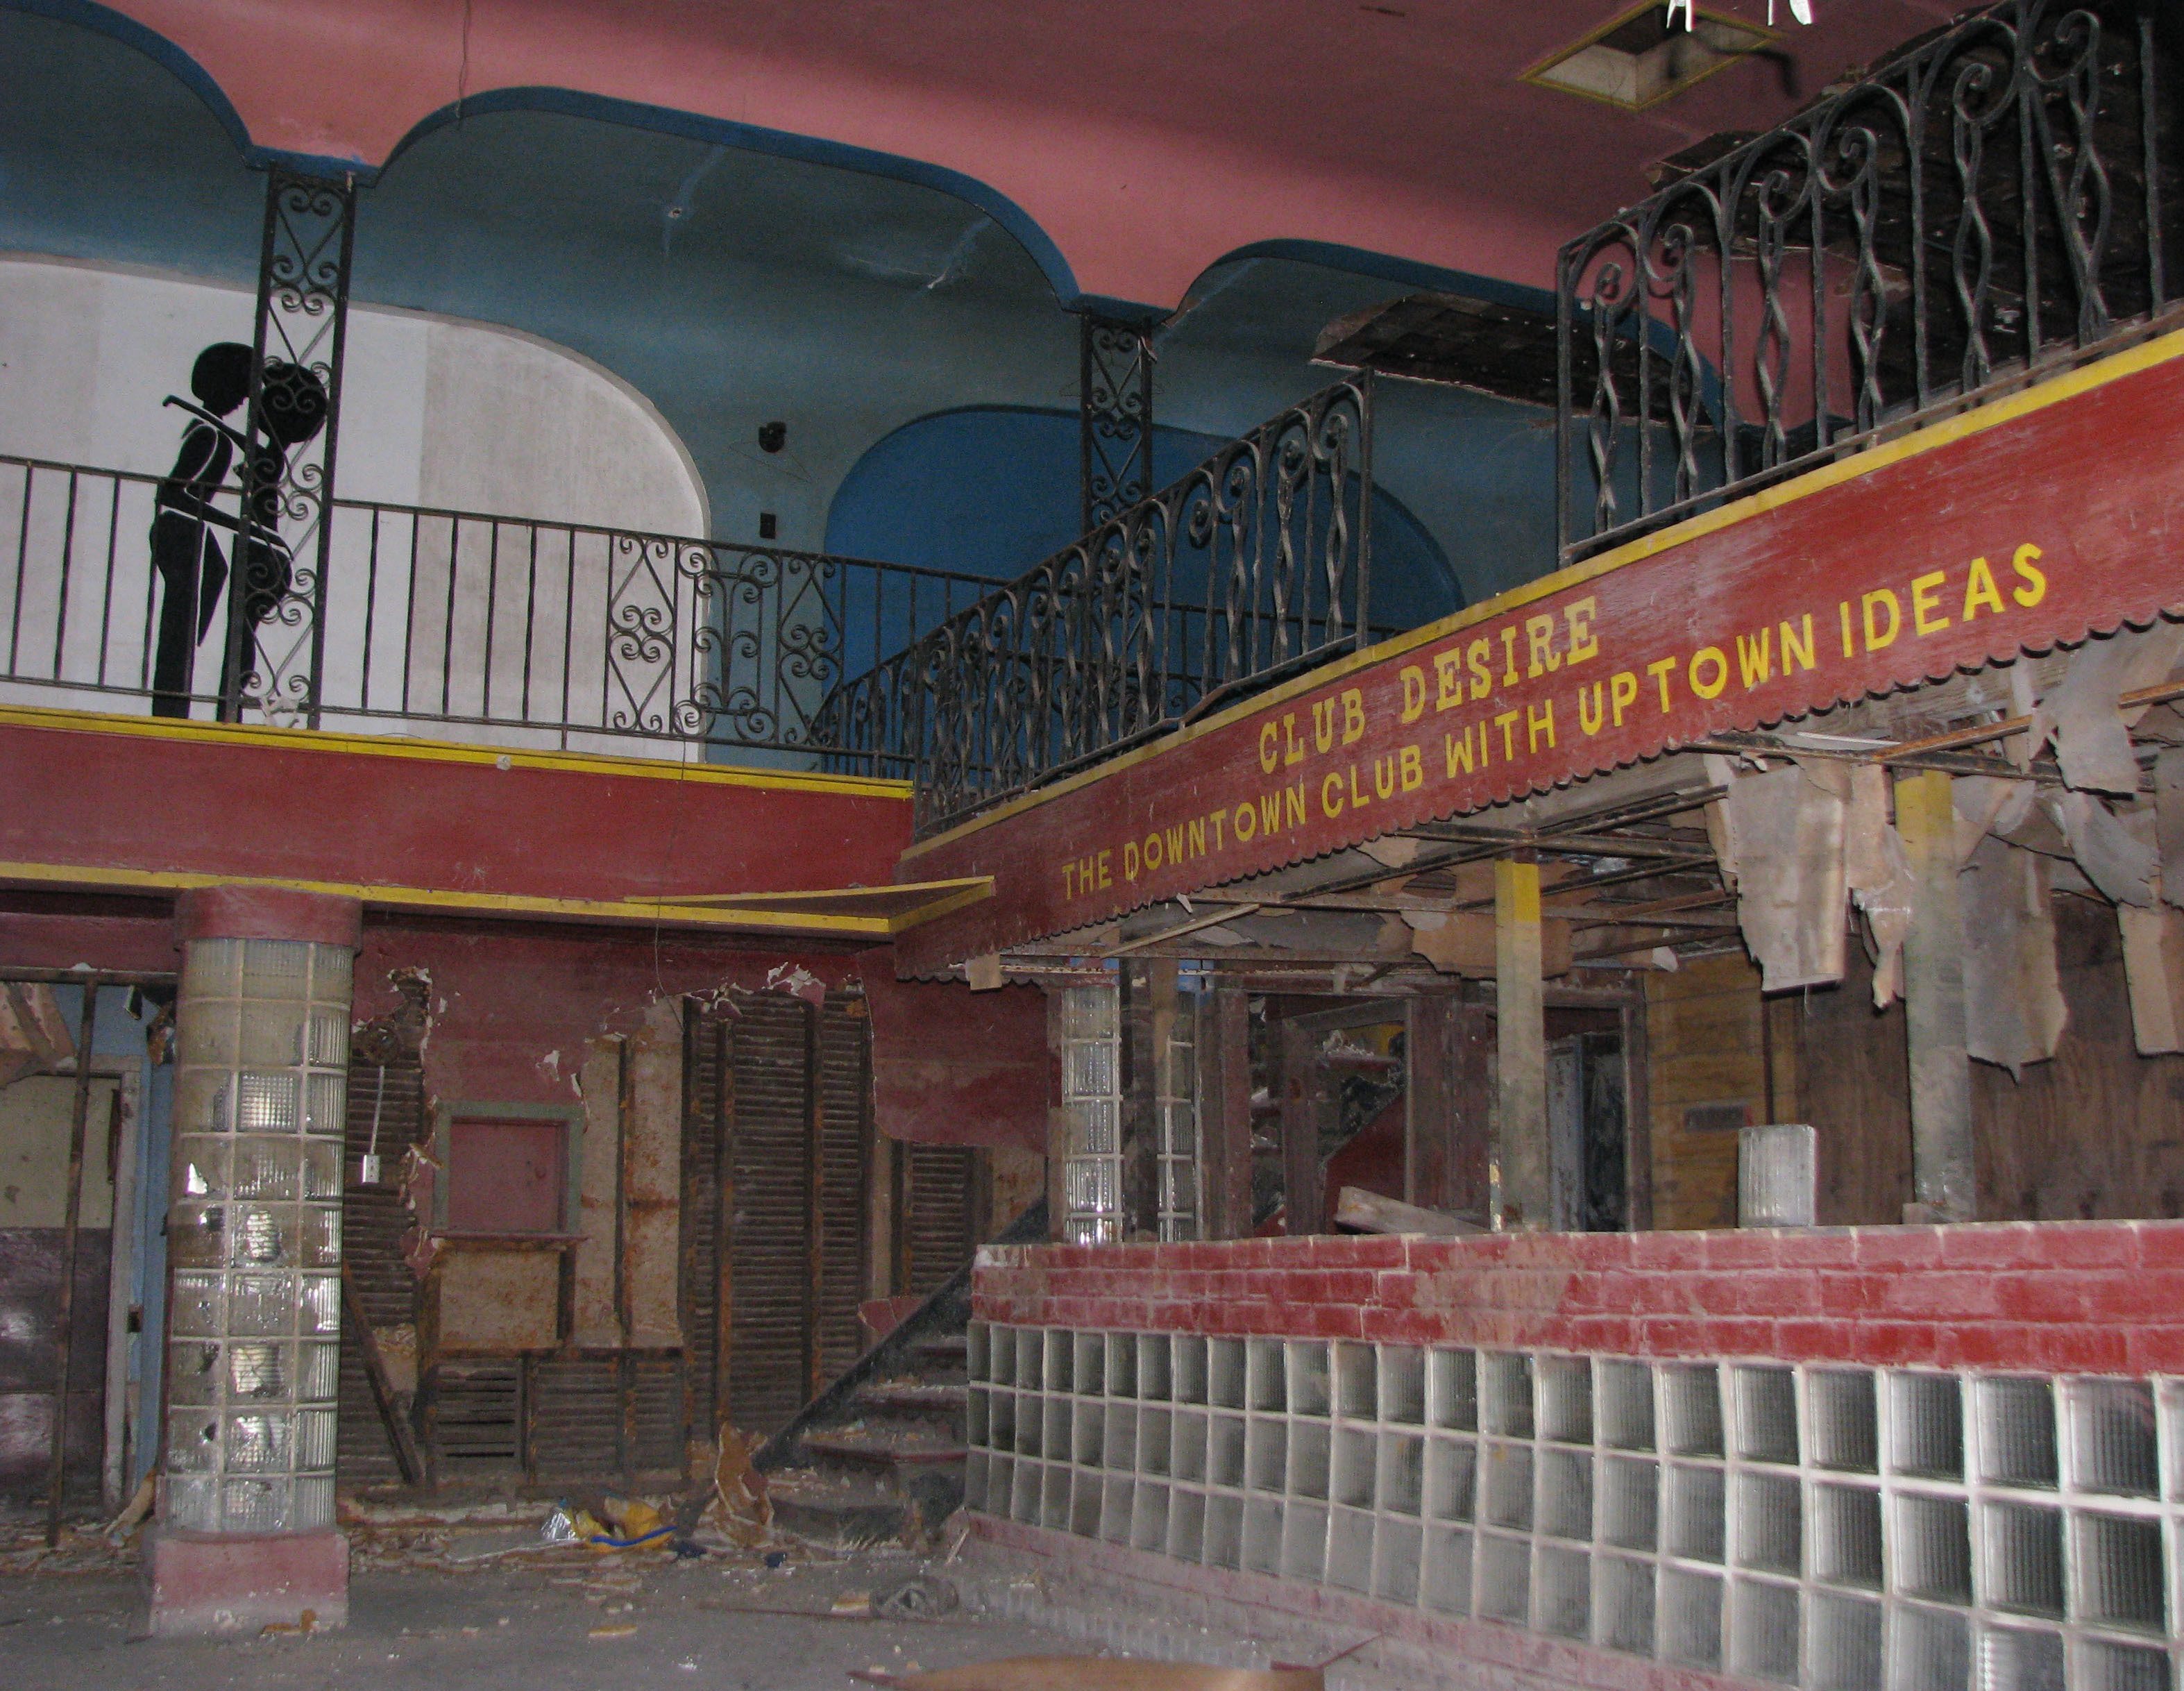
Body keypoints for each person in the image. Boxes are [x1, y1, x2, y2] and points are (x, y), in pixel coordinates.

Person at [148, 342, 250, 716]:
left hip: (188, 530)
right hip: (181, 530)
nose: (242, 399)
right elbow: (174, 493)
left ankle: (176, 698)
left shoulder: (214, 433)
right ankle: (170, 706)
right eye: (238, 389)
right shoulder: (210, 435)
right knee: (180, 623)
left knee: (215, 577)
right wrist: (234, 522)